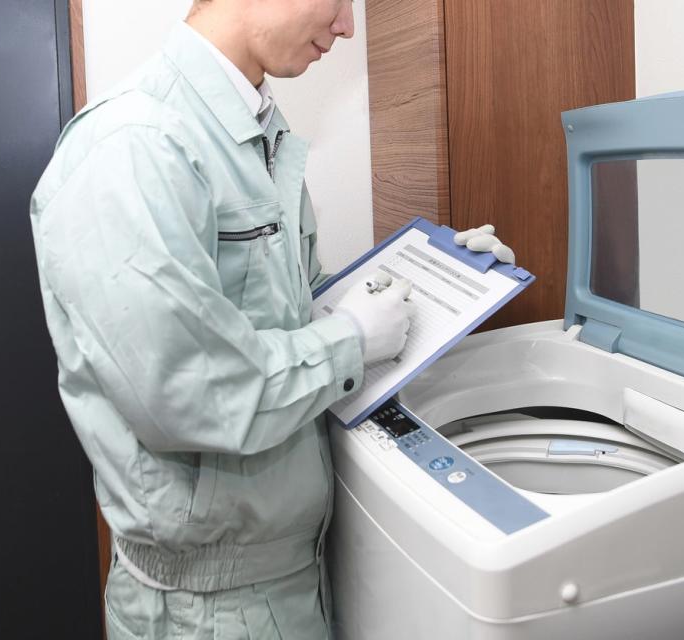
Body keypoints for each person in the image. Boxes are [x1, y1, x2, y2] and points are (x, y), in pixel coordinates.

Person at [29, 1, 415, 638]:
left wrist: (433, 281)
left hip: (293, 575)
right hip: (204, 613)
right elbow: (191, 391)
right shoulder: (133, 146)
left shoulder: (255, 133)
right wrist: (351, 341)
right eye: (342, 1)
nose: (348, 26)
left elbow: (289, 313)